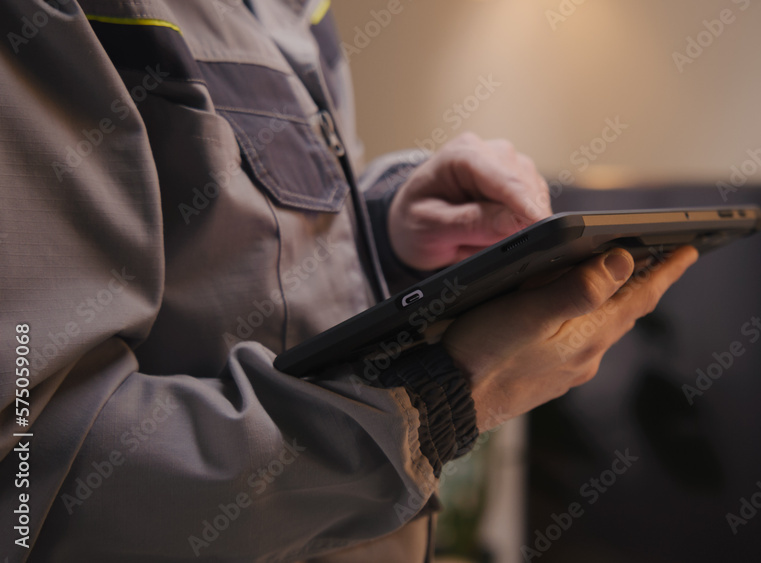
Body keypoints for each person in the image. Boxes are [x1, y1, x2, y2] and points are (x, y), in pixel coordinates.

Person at [0, 0, 697, 561]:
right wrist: (447, 398)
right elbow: (27, 484)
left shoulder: (298, 13)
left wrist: (387, 226)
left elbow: (246, 264)